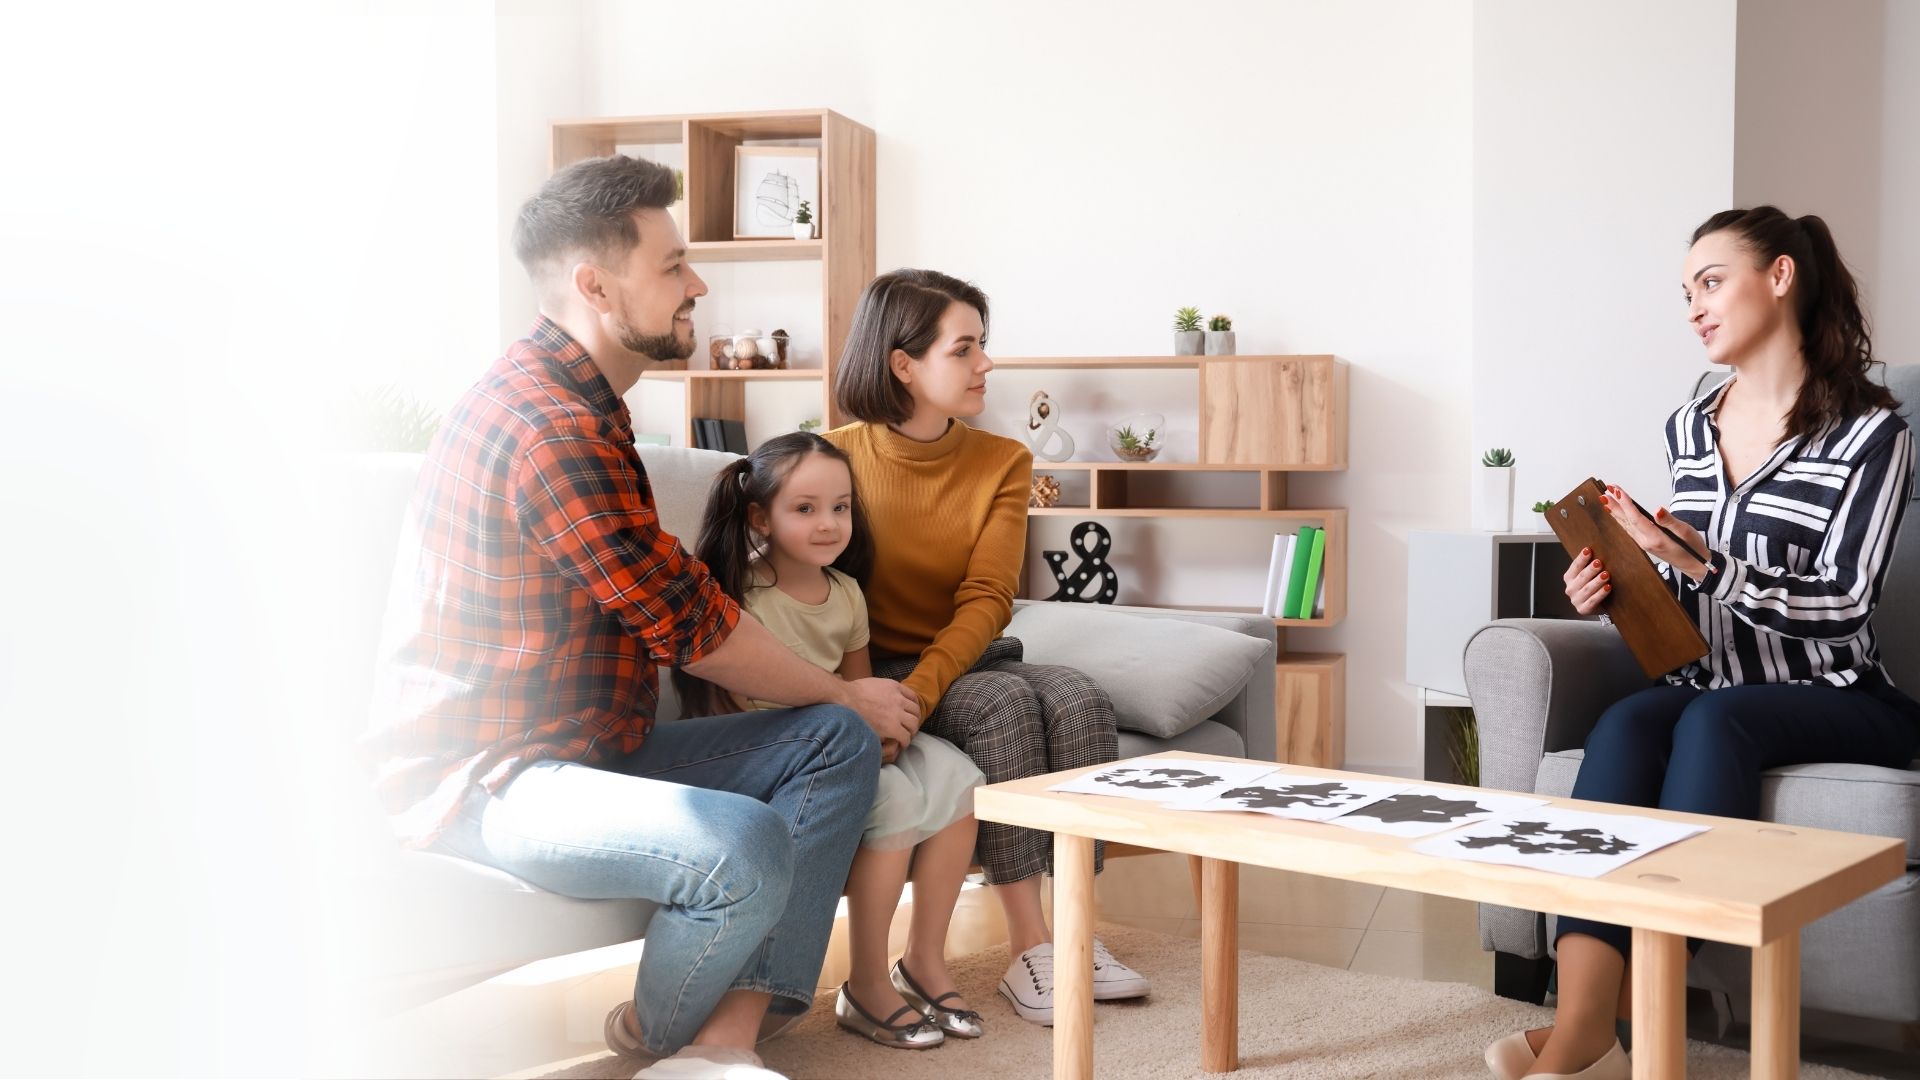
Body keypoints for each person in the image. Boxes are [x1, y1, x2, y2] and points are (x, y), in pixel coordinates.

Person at [365, 155, 920, 1080]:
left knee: (833, 740)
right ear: (594, 284)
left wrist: (844, 706)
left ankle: (722, 1042)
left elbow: (686, 604)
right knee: (741, 845)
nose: (696, 284)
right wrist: (851, 691)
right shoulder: (549, 425)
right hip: (488, 778)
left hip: (588, 744)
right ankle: (661, 1039)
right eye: (671, 266)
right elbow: (690, 628)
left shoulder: (594, 405)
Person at [1487, 206, 1919, 1080]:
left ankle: (1628, 1024)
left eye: (1711, 283)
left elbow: (1842, 603)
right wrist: (1615, 587)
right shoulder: (1691, 426)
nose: (1694, 307)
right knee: (1627, 724)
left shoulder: (1874, 432)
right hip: (1710, 682)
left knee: (1717, 725)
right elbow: (1686, 586)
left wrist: (1702, 559)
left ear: (1782, 277)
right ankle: (1587, 1030)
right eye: (1686, 293)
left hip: (1839, 696)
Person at [823, 269, 1150, 1027]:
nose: (985, 364)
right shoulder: (829, 458)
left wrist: (923, 694)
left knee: (1077, 696)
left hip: (956, 659)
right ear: (902, 364)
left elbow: (988, 599)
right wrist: (883, 697)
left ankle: (1072, 931)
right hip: (874, 667)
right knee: (1005, 704)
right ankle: (1031, 946)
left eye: (983, 345)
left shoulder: (1002, 460)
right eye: (964, 348)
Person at [673, 432, 989, 1050]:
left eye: (840, 507)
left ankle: (925, 958)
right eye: (805, 508)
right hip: (782, 752)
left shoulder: (846, 594)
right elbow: (735, 709)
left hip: (845, 733)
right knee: (894, 803)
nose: (828, 524)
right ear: (761, 517)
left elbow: (859, 687)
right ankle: (867, 982)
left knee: (960, 782)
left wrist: (890, 732)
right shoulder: (742, 598)